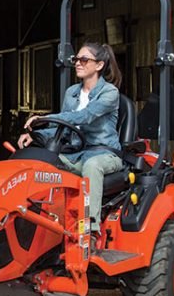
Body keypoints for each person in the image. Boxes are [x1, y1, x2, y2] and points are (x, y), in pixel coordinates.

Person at [17, 42, 124, 234]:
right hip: (77, 154)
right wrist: (35, 135)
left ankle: (90, 228)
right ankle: (37, 224)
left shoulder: (109, 93)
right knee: (42, 163)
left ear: (99, 65)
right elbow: (63, 128)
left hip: (105, 154)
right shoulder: (71, 93)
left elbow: (84, 116)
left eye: (84, 60)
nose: (78, 63)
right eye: (76, 59)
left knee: (92, 166)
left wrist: (43, 118)